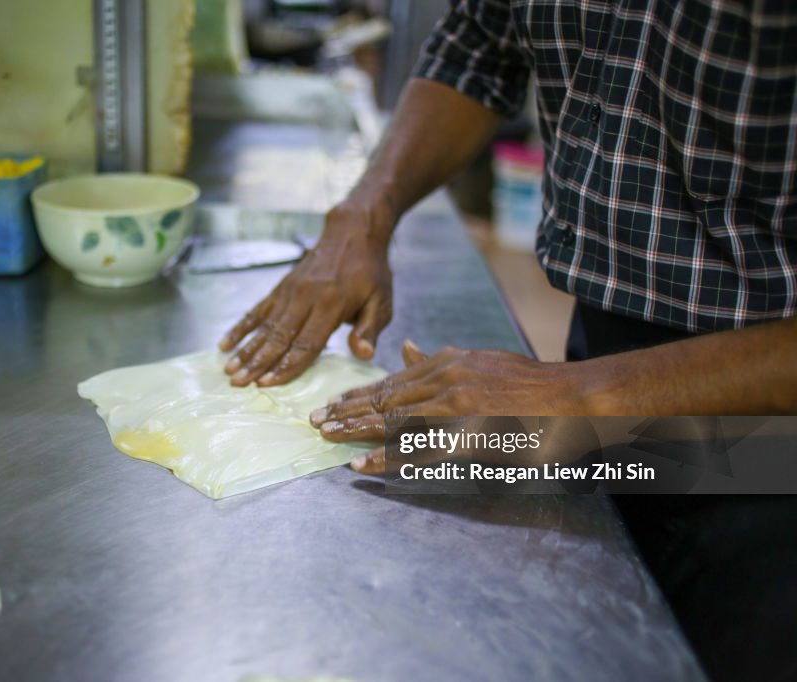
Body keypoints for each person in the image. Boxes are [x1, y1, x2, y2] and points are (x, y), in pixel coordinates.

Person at [219, 1, 797, 680]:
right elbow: (479, 42)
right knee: (611, 636)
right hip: (611, 357)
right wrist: (364, 212)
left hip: (768, 428)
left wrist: (581, 395)